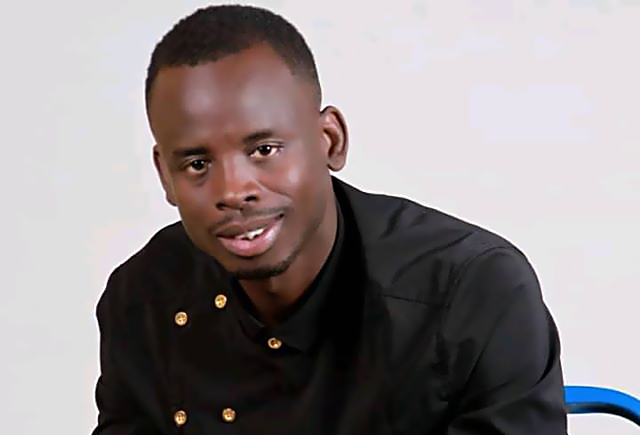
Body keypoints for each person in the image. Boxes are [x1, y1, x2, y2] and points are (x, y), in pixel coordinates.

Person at [91, 4, 568, 435]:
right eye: (197, 164)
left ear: (330, 141)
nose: (233, 191)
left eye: (264, 149)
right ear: (166, 177)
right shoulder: (142, 297)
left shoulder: (472, 291)